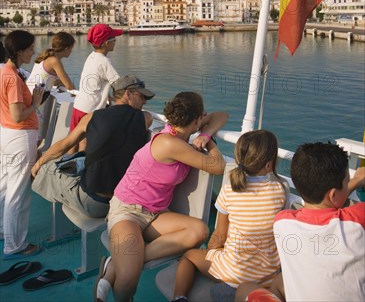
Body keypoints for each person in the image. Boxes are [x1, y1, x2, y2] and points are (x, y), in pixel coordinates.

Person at [94, 92, 228, 302]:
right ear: (196, 120)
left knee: (199, 231)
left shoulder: (178, 136)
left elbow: (222, 115)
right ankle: (122, 267)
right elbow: (219, 167)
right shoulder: (169, 143)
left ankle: (115, 263)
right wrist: (209, 142)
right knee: (129, 278)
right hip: (127, 210)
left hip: (155, 213)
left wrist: (206, 134)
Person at [237, 142, 365, 302]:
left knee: (246, 288)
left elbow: (318, 212)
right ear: (332, 195)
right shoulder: (358, 218)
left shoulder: (282, 222)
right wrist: (359, 179)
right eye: (347, 182)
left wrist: (347, 185)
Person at [172, 130, 286, 302]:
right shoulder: (279, 191)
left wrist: (212, 252)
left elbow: (220, 236)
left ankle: (179, 297)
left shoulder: (229, 191)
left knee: (188, 256)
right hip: (267, 276)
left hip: (235, 274)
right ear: (269, 165)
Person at [31, 75, 155, 218]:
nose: (144, 102)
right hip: (120, 200)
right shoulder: (146, 119)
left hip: (93, 202)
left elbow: (64, 145)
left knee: (49, 167)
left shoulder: (92, 117)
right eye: (142, 97)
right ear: (128, 94)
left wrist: (39, 162)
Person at [0, 30, 44, 258]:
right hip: (19, 135)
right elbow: (18, 115)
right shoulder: (13, 78)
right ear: (18, 51)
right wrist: (36, 101)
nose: (33, 52)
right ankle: (14, 245)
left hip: (6, 135)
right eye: (29, 49)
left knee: (5, 187)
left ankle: (3, 231)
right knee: (18, 194)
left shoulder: (4, 71)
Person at [70, 24, 123, 133]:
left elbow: (95, 82)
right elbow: (120, 85)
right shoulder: (105, 62)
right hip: (90, 110)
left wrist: (107, 96)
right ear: (107, 43)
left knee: (73, 141)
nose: (115, 42)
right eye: (114, 39)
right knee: (84, 142)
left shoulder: (92, 56)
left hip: (79, 105)